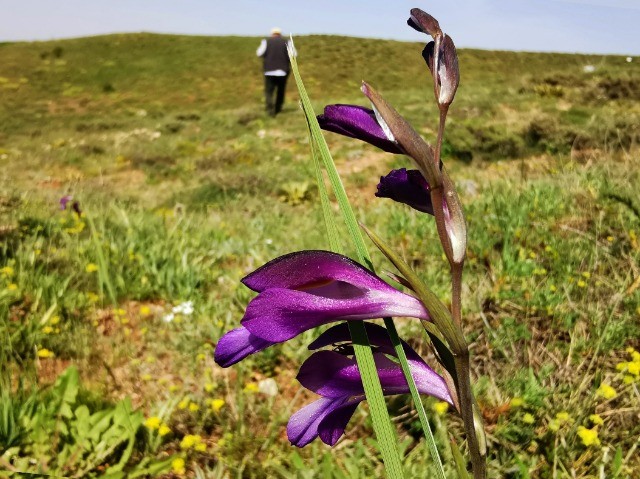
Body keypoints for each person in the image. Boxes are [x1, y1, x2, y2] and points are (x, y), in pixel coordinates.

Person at [256, 28, 296, 117]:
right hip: (283, 71)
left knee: (269, 91)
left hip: (269, 71)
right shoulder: (286, 42)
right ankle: (278, 109)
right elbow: (293, 54)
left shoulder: (266, 41)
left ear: (272, 34)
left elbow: (259, 53)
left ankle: (270, 110)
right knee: (280, 91)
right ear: (280, 34)